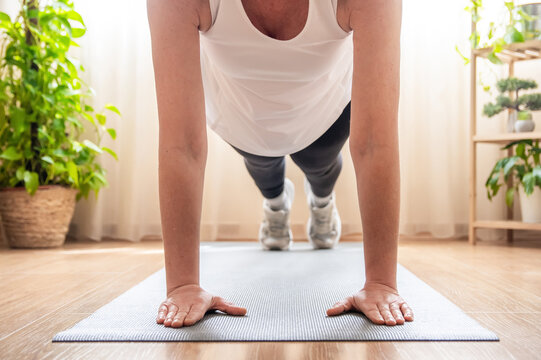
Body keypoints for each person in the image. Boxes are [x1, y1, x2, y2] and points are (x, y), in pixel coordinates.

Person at [147, 0, 413, 329]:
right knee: (264, 166)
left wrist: (381, 284)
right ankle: (276, 203)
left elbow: (375, 142)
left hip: (325, 109)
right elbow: (181, 145)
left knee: (319, 164)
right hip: (244, 112)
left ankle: (322, 201)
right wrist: (183, 286)